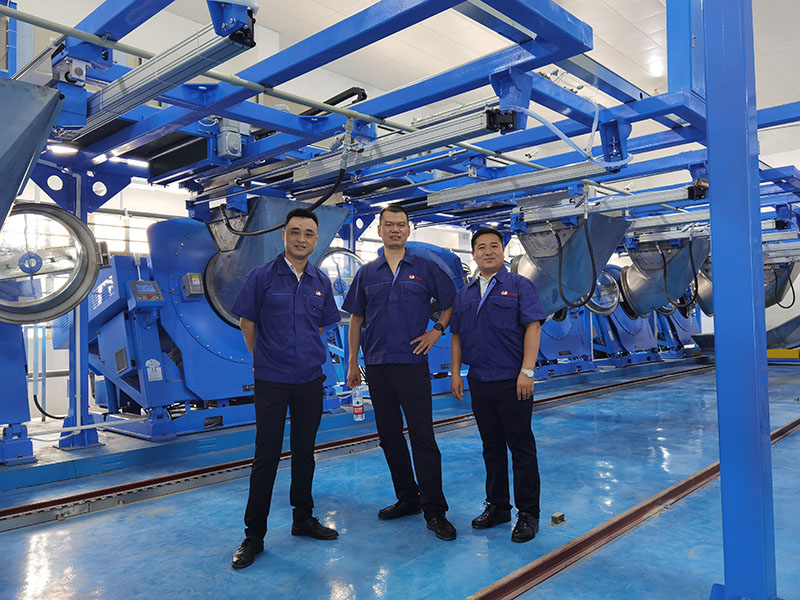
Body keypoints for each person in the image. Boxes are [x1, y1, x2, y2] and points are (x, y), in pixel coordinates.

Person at [230, 207, 342, 569]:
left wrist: (299, 355)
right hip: (272, 381)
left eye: (308, 234)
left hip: (310, 379)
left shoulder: (321, 280)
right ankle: (254, 536)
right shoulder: (262, 276)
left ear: (315, 240)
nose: (301, 239)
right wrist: (268, 358)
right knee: (266, 456)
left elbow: (320, 327)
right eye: (295, 232)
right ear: (284, 236)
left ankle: (303, 518)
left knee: (305, 452)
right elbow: (247, 324)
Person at [343, 203, 458, 541]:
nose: (395, 229)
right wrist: (352, 362)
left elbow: (450, 303)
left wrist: (437, 331)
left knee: (423, 436)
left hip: (412, 364)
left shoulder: (425, 268)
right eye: (389, 224)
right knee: (389, 436)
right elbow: (356, 319)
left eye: (401, 224)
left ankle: (435, 509)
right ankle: (408, 498)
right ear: (379, 230)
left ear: (409, 230)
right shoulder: (367, 273)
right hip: (377, 366)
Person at [450, 227, 546, 543]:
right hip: (480, 380)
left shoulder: (519, 285)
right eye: (481, 247)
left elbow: (533, 327)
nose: (488, 251)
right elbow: (457, 335)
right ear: (473, 254)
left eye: (494, 246)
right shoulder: (464, 293)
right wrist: (455, 373)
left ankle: (528, 514)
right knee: (491, 447)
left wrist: (527, 371)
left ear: (503, 251)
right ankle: (498, 507)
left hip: (512, 380)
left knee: (521, 447)